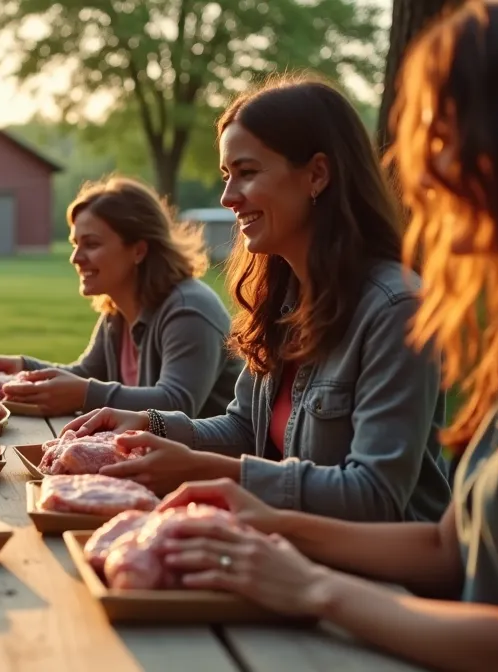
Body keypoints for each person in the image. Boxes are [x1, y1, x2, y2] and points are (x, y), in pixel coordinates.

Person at [143, 2, 498, 668]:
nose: (423, 171)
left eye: (444, 135)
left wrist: (308, 585)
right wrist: (257, 520)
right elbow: (447, 548)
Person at [64, 75, 451, 522]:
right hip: (284, 550)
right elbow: (246, 427)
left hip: (377, 578)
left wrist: (211, 471)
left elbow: (374, 494)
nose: (228, 198)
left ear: (317, 175)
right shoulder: (283, 297)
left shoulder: (396, 308)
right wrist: (151, 424)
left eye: (247, 173)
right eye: (227, 176)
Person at [0, 176, 241, 418]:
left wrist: (85, 394)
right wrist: (23, 367)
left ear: (138, 250)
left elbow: (178, 403)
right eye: (75, 244)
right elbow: (87, 374)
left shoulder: (189, 309)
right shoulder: (117, 311)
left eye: (91, 244)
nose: (75, 258)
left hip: (206, 469)